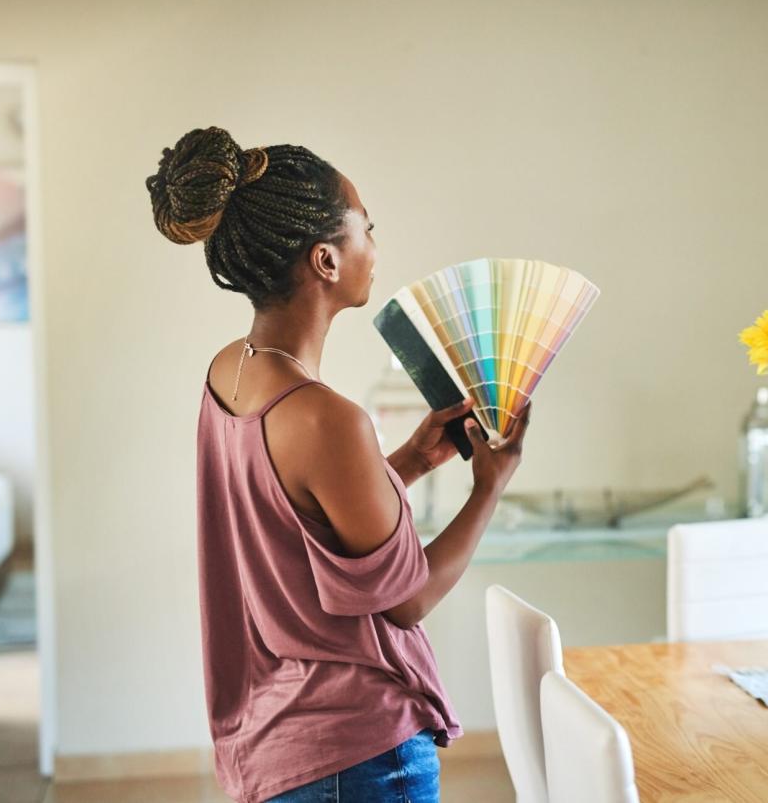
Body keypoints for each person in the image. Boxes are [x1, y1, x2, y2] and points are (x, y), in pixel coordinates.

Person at [146, 126, 529, 803]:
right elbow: (408, 598)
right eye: (366, 229)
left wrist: (408, 461)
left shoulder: (227, 371)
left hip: (273, 746)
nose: (374, 249)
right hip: (357, 755)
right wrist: (488, 488)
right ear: (325, 259)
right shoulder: (328, 418)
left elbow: (295, 521)